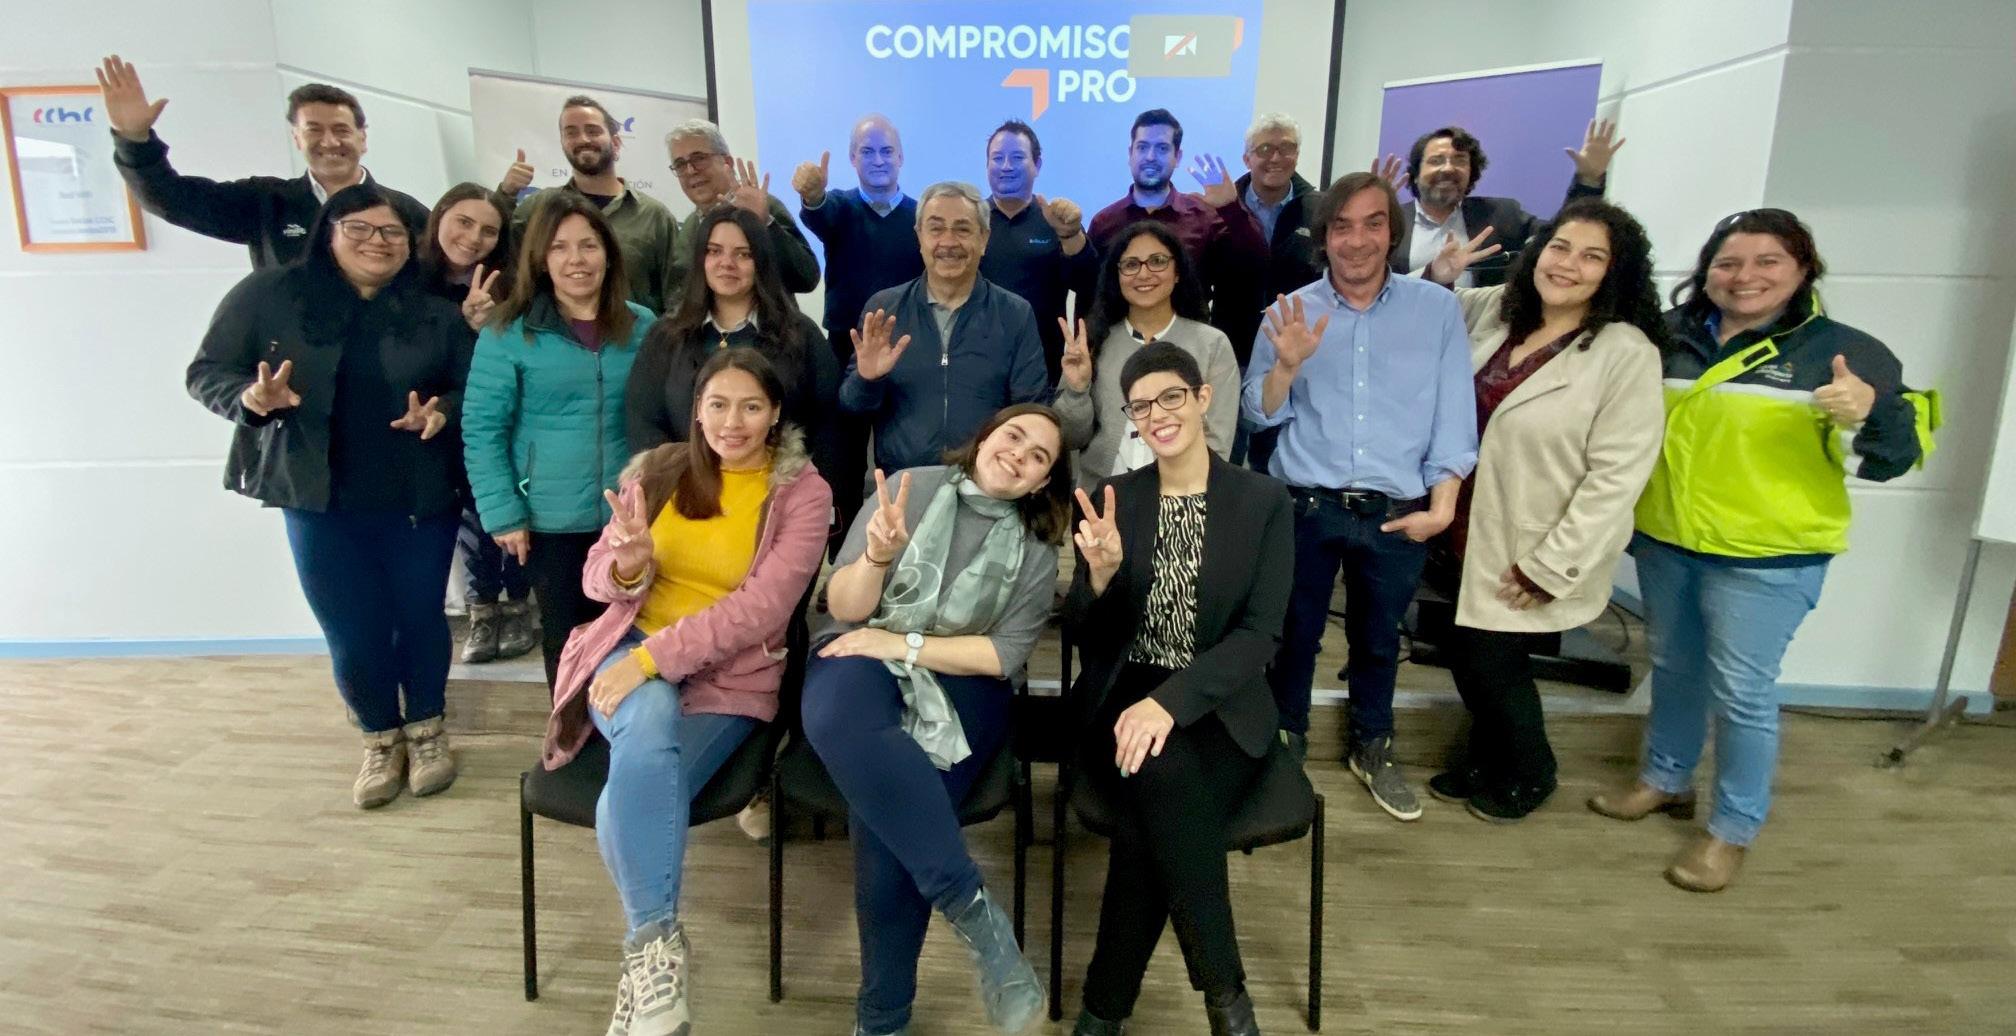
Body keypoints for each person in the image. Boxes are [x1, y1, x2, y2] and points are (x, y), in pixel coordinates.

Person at [1589, 209, 1938, 892]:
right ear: (1707, 272)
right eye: (1728, 263)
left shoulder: (1845, 351)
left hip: (1768, 558)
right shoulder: (1669, 335)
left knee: (1742, 695)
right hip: (1667, 542)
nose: (1744, 277)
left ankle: (1732, 829)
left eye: (1767, 261)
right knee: (1674, 668)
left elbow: (1895, 459)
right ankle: (1665, 779)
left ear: (1803, 268)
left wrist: (1873, 411)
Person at [539, 347, 830, 1036]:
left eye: (751, 406)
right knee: (647, 729)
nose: (733, 422)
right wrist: (628, 567)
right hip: (628, 650)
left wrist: (651, 662)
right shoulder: (659, 471)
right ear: (697, 409)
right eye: (718, 404)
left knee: (622, 800)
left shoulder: (802, 493)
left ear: (775, 414)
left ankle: (645, 965)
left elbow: (762, 611)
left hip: (727, 677)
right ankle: (658, 959)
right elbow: (595, 578)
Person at [185, 184, 471, 807]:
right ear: (329, 234)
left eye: (392, 232)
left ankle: (427, 731)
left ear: (411, 244)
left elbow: (469, 385)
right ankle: (379, 737)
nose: (377, 242)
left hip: (419, 497)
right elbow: (206, 372)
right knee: (350, 626)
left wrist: (442, 412)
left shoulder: (435, 314)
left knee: (420, 617)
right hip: (318, 499)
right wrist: (250, 399)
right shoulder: (270, 295)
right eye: (360, 229)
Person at [800, 404, 1071, 1036]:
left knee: (891, 821)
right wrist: (874, 558)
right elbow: (844, 606)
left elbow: (1003, 656)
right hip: (861, 646)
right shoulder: (908, 488)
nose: (1020, 454)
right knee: (837, 716)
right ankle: (975, 913)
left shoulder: (1037, 547)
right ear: (985, 437)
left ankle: (882, 1021)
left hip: (962, 681)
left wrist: (902, 645)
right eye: (1013, 436)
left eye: (1039, 456)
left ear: (1042, 482)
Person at [1062, 343, 1293, 1036]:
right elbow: (1086, 633)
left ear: (1202, 398)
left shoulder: (1262, 501)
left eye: (1171, 397)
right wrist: (1101, 577)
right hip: (1123, 696)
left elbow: (1260, 634)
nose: (1158, 415)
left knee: (1152, 817)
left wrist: (1170, 701)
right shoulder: (1116, 499)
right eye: (1141, 406)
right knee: (1160, 782)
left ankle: (1103, 1012)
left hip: (1220, 701)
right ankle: (1227, 1004)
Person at [1417, 199, 1667, 823]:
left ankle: (1532, 770)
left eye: (1592, 257)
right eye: (1560, 247)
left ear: (1614, 273)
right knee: (1468, 653)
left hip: (1533, 540)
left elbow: (1617, 477)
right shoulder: (1500, 310)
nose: (1568, 265)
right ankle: (1485, 758)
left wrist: (1551, 565)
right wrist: (1439, 276)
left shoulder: (1625, 353)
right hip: (1464, 524)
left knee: (1493, 664)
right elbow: (1423, 316)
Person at [1241, 172, 1476, 820]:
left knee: (1378, 641)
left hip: (1397, 513)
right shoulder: (1289, 311)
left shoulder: (1436, 311)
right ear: (1323, 238)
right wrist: (1286, 366)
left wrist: (1443, 508)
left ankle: (1373, 745)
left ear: (1392, 232)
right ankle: (1286, 743)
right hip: (1307, 506)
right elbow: (1256, 414)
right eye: (1341, 226)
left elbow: (1455, 415)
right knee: (1295, 636)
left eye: (1373, 223)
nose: (1357, 239)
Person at [464, 194, 657, 690]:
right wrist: (503, 513)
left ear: (608, 254)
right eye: (560, 247)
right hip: (547, 519)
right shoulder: (508, 331)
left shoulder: (643, 326)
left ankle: (623, 728)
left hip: (628, 514)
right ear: (541, 259)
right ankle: (569, 731)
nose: (577, 260)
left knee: (630, 634)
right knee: (568, 638)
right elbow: (483, 429)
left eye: (588, 245)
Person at [96, 55, 428, 267]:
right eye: (314, 130)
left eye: (341, 130)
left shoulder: (406, 212)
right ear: (297, 138)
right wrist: (134, 140)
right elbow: (173, 200)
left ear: (362, 138)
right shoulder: (265, 202)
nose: (329, 142)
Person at [628, 206, 843, 507]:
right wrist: (680, 486)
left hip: (778, 503)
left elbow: (828, 426)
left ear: (761, 262)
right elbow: (643, 421)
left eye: (743, 254)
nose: (726, 263)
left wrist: (815, 501)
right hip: (686, 499)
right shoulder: (666, 335)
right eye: (714, 251)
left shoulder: (799, 334)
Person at [840, 181, 1050, 473]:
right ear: (919, 237)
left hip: (984, 482)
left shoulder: (1015, 314)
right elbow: (852, 406)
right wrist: (867, 380)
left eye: (962, 229)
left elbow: (1031, 412)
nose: (948, 242)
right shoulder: (885, 309)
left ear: (984, 238)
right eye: (936, 229)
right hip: (903, 482)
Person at [415, 183, 539, 664]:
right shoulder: (409, 277)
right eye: (463, 223)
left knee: (502, 509)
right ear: (440, 216)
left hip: (492, 417)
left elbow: (509, 359)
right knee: (468, 524)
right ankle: (481, 609)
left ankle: (516, 606)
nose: (473, 238)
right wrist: (459, 324)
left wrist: (481, 326)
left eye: (488, 230)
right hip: (428, 425)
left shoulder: (508, 284)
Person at [793, 113, 927, 548]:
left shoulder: (920, 217)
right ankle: (845, 555)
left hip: (907, 354)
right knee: (843, 462)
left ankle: (903, 550)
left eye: (887, 151)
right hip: (844, 352)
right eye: (867, 151)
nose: (878, 159)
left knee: (900, 458)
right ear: (852, 158)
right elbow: (818, 214)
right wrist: (812, 196)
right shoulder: (839, 208)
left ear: (901, 157)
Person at [1055, 222, 1239, 490]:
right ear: (1117, 276)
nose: (1143, 273)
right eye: (1131, 265)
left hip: (1182, 497)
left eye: (1157, 261)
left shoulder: (1212, 345)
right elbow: (1070, 438)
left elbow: (1218, 441)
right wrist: (1077, 390)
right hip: (1101, 496)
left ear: (1178, 272)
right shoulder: (1094, 341)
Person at [1086, 109, 1268, 350]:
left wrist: (1231, 207)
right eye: (1142, 147)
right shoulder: (1104, 222)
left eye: (1162, 148)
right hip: (1118, 351)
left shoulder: (1204, 216)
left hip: (1190, 351)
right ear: (1130, 154)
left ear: (1177, 157)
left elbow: (1254, 264)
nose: (1150, 156)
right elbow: (1090, 294)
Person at [501, 94, 682, 314]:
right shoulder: (537, 209)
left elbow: (677, 298)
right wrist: (505, 194)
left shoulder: (655, 216)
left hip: (634, 335)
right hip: (554, 334)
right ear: (563, 143)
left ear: (616, 143)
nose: (583, 139)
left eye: (593, 131)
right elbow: (500, 258)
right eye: (571, 133)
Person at [1391, 120, 1623, 287]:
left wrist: (1588, 181)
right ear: (1416, 173)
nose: (1449, 168)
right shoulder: (1393, 222)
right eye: (1436, 160)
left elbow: (1560, 235)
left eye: (1460, 160)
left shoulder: (1501, 215)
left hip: (1480, 334)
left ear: (1471, 173)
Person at [977, 118, 1099, 383]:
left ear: (1037, 165)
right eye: (997, 158)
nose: (1006, 166)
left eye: (1017, 157)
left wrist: (1070, 234)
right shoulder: (971, 222)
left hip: (1042, 364)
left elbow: (1087, 284)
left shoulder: (1056, 220)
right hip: (977, 362)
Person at [663, 118, 821, 294]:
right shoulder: (689, 227)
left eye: (699, 158)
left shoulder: (764, 206)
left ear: (727, 163)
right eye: (680, 164)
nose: (690, 170)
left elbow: (806, 279)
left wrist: (764, 223)